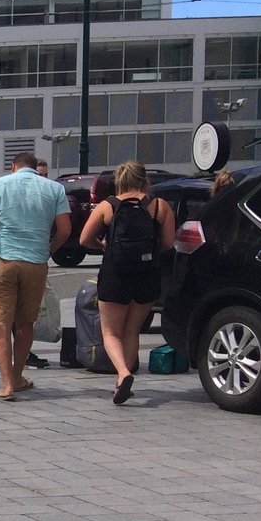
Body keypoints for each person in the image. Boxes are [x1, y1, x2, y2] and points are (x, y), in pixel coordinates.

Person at [0, 151, 72, 401]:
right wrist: (48, 250)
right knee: (26, 324)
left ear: (13, 166)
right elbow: (65, 230)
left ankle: (6, 386)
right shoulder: (54, 189)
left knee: (2, 324)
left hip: (4, 262)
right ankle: (17, 377)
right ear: (35, 168)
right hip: (36, 263)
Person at [79, 160, 175, 404]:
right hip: (147, 273)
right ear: (144, 180)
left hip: (115, 273)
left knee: (110, 332)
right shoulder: (159, 206)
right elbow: (168, 243)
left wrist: (102, 246)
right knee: (132, 330)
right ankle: (125, 378)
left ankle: (122, 374)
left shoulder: (107, 206)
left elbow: (84, 239)